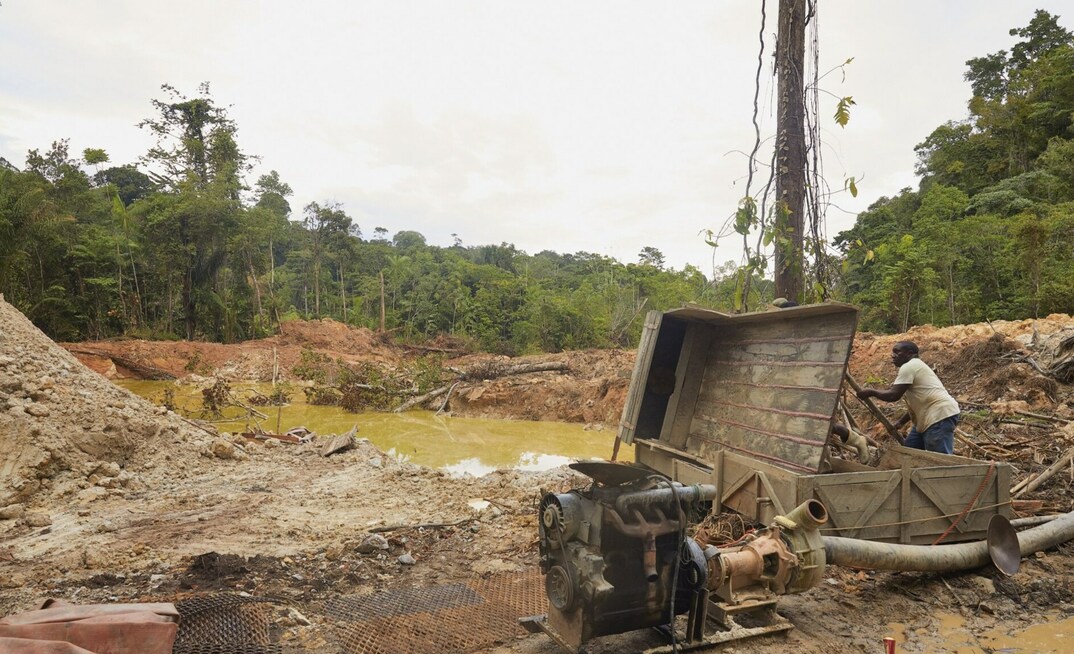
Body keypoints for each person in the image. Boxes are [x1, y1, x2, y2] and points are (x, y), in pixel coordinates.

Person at [856, 341, 960, 454]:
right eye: (893, 352)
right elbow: (917, 403)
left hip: (938, 416)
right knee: (909, 452)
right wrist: (901, 422)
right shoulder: (916, 366)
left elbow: (893, 395)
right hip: (928, 417)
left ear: (909, 353)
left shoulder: (910, 366)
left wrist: (871, 392)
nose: (893, 355)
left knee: (939, 460)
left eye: (897, 352)